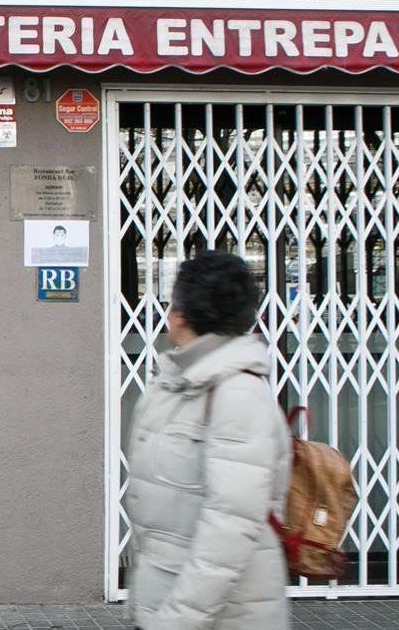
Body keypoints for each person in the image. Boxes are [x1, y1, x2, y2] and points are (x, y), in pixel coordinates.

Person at [124, 250, 291, 629]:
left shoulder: (237, 394)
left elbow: (230, 527)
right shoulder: (179, 382)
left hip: (218, 615)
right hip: (171, 600)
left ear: (180, 313)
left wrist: (178, 619)